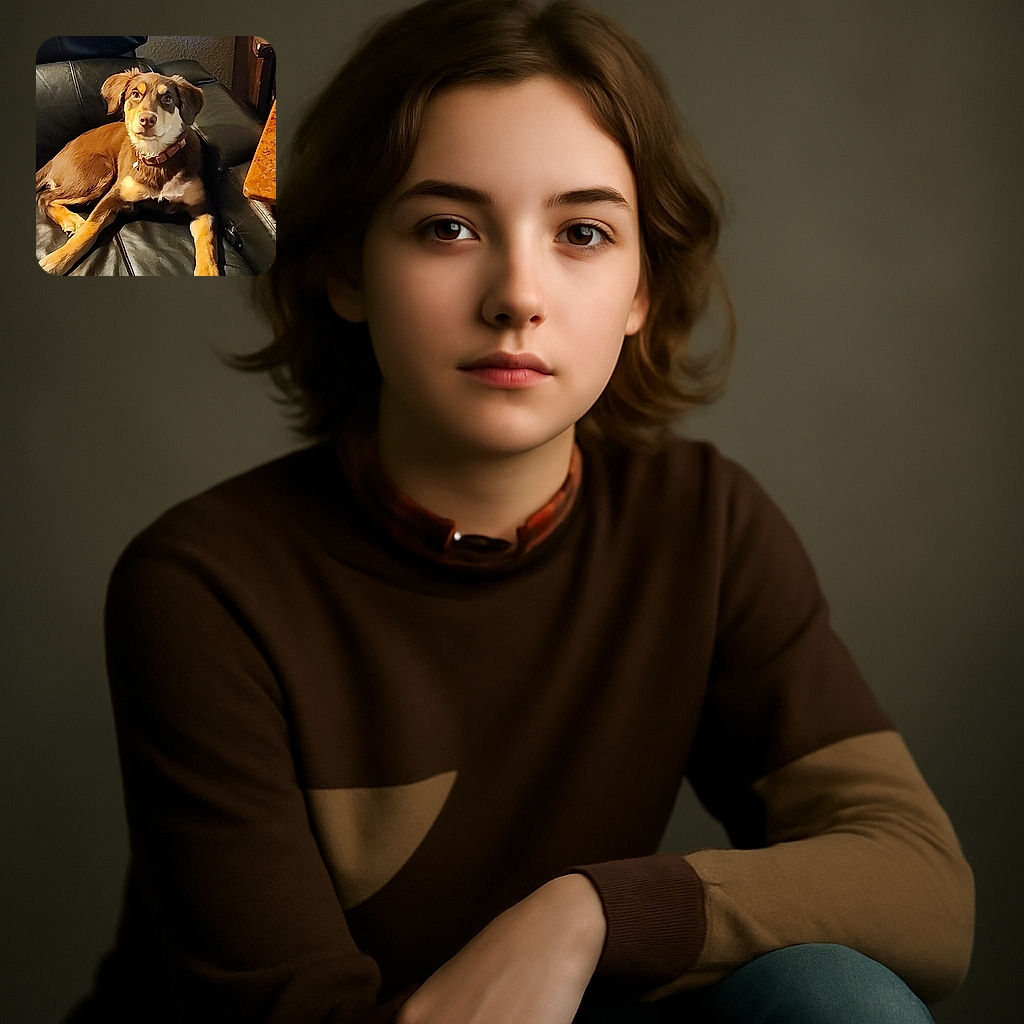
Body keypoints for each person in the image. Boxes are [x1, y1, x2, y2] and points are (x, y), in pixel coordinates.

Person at [65, 1, 974, 1021]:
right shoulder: (207, 584)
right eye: (447, 227)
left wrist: (590, 913)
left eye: (583, 232)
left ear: (641, 289)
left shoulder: (704, 526)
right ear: (344, 268)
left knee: (832, 995)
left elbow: (926, 895)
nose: (517, 296)